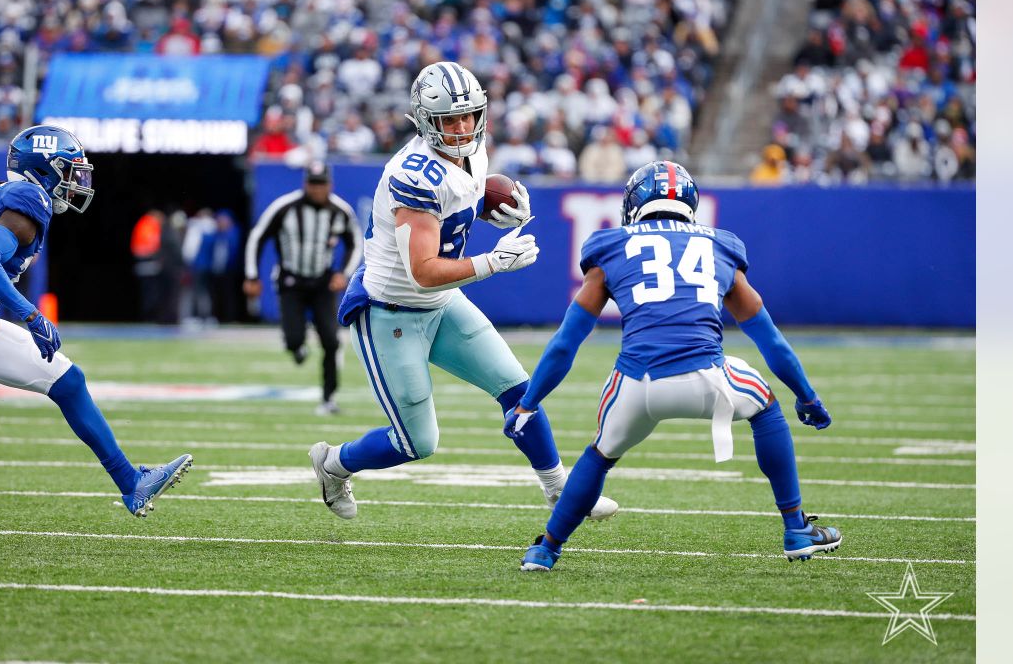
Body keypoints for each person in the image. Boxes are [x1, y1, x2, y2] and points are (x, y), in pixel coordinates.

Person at [307, 61, 618, 522]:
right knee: (417, 442)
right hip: (390, 311)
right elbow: (423, 271)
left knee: (520, 390)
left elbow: (459, 208)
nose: (462, 127)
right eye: (449, 120)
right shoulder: (414, 176)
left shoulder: (474, 152)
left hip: (441, 304)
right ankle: (332, 463)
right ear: (424, 120)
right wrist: (493, 262)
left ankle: (560, 490)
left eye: (469, 116)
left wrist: (490, 213)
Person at [514, 160, 840, 571]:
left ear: (634, 203)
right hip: (708, 379)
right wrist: (807, 396)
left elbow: (567, 342)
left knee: (598, 454)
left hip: (637, 383)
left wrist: (528, 402)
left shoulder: (610, 245)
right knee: (766, 403)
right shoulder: (721, 245)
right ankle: (795, 527)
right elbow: (769, 339)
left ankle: (547, 548)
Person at [0, 125, 192, 518]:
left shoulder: (6, 193)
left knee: (69, 382)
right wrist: (31, 315)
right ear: (44, 169)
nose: (76, 181)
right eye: (69, 171)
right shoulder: (29, 196)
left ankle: (132, 484)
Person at [244, 161, 362, 414]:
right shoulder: (285, 207)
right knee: (294, 338)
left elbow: (356, 242)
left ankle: (329, 398)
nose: (317, 190)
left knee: (331, 341)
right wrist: (252, 276)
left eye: (322, 184)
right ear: (305, 184)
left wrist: (343, 274)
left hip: (322, 283)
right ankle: (296, 346)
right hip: (291, 281)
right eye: (313, 184)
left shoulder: (340, 210)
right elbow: (258, 236)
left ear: (329, 185)